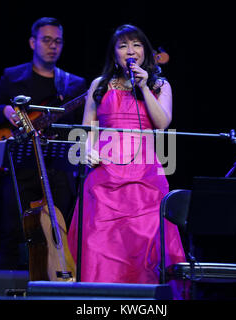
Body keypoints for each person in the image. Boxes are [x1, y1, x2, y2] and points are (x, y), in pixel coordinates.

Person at [67, 24, 186, 294]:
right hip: (103, 176)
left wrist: (144, 87)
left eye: (136, 44)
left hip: (145, 178)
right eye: (123, 46)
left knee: (145, 249)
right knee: (98, 246)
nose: (130, 50)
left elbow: (162, 122)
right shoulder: (99, 85)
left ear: (146, 50)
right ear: (114, 54)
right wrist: (86, 148)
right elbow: (87, 129)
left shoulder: (159, 85)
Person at [0, 17, 87, 269]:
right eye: (46, 40)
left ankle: (55, 286)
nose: (53, 46)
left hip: (57, 171)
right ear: (32, 42)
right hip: (19, 168)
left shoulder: (73, 83)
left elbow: (80, 129)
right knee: (13, 233)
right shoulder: (12, 76)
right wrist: (5, 111)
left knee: (58, 234)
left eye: (58, 41)